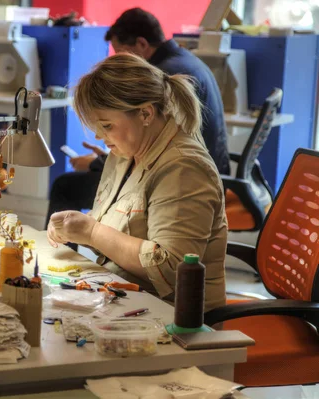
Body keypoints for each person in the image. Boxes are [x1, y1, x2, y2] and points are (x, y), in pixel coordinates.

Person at [47, 53, 227, 312]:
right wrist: (75, 229)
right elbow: (120, 233)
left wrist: (92, 232)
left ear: (145, 114)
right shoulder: (126, 153)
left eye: (107, 125)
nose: (99, 136)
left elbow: (171, 268)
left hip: (176, 319)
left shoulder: (184, 168)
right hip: (128, 297)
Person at [46, 7, 229, 227]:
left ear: (141, 44)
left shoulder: (161, 78)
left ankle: (60, 253)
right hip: (206, 167)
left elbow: (160, 146)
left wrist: (98, 163)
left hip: (182, 179)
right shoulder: (184, 60)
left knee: (65, 187)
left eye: (123, 54)